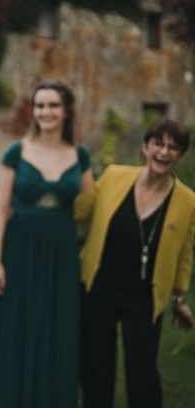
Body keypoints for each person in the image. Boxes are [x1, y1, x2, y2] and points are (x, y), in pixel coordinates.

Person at [76, 118, 194, 408]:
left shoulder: (188, 201)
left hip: (144, 296)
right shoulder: (115, 176)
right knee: (96, 369)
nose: (164, 152)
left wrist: (179, 296)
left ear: (180, 154)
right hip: (99, 290)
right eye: (158, 143)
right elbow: (80, 210)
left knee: (142, 372)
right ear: (145, 147)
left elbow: (184, 254)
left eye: (173, 146)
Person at [0, 80, 93, 407]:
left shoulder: (80, 154)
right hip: (20, 250)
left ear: (65, 111)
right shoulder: (16, 152)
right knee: (19, 328)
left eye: (52, 105)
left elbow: (90, 209)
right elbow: (0, 208)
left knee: (60, 327)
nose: (45, 112)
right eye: (40, 106)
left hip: (63, 252)